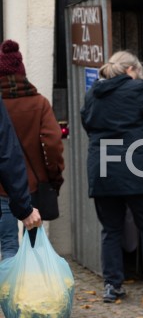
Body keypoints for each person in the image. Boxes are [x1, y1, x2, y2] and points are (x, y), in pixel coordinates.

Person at [80, 50, 143, 303]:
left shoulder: (92, 94)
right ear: (131, 70)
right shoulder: (135, 90)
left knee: (110, 230)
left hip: (102, 169)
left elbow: (86, 122)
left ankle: (112, 285)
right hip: (135, 168)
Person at [0, 40, 64, 255]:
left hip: (1, 187)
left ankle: (7, 288)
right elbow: (53, 142)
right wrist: (54, 174)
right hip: (32, 185)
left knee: (8, 243)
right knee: (34, 245)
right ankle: (31, 286)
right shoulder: (39, 103)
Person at [0, 99, 42, 234]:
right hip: (19, 186)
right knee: (10, 242)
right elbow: (7, 153)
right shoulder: (39, 103)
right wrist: (24, 209)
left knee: (9, 241)